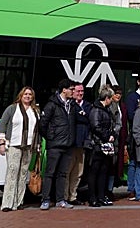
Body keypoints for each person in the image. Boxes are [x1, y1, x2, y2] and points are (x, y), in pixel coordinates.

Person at [38, 78, 82, 210]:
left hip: (68, 145)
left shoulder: (72, 105)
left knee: (62, 174)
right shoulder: (52, 104)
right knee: (49, 173)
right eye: (71, 89)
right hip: (55, 145)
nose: (73, 92)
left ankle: (60, 200)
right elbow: (43, 124)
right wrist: (50, 137)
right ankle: (45, 199)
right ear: (64, 90)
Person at [0, 86, 41, 212]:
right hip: (14, 145)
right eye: (25, 94)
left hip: (29, 146)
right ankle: (7, 203)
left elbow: (38, 130)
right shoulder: (12, 109)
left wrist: (37, 146)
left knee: (23, 174)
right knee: (12, 173)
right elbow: (2, 125)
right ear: (21, 96)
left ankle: (18, 201)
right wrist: (1, 143)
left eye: (30, 95)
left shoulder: (35, 111)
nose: (27, 96)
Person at [84, 86, 117, 208]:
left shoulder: (105, 110)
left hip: (104, 145)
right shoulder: (96, 110)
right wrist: (107, 136)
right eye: (111, 98)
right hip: (97, 145)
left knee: (103, 171)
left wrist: (112, 134)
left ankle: (101, 196)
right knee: (94, 171)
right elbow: (95, 126)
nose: (112, 101)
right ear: (107, 98)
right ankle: (93, 197)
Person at [123, 75, 140, 199]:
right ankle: (132, 188)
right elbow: (131, 117)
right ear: (138, 82)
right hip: (136, 135)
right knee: (134, 163)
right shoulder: (132, 97)